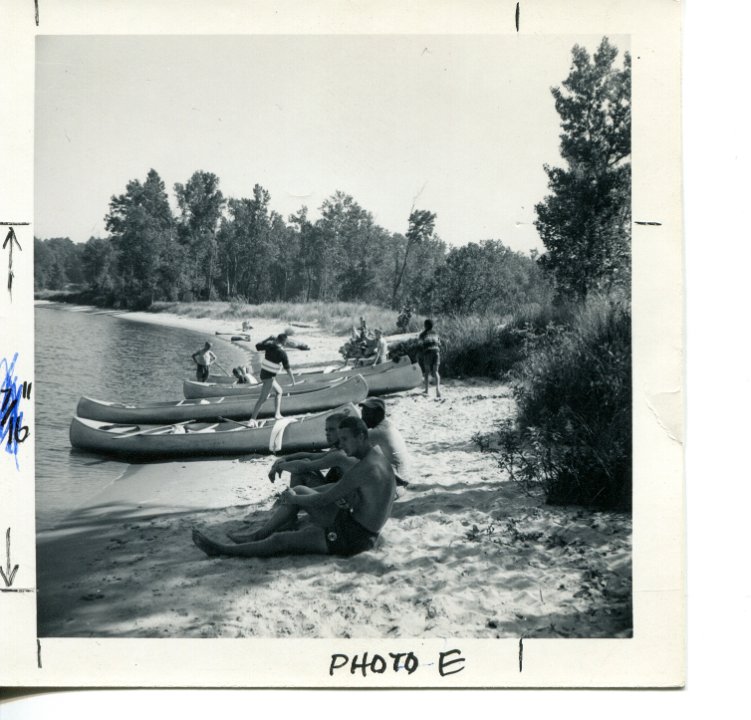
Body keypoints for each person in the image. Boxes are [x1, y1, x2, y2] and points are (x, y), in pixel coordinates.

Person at [192, 416, 396, 559]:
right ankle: (259, 534)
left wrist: (293, 499)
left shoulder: (364, 468)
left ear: (361, 436)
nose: (341, 444)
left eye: (345, 439)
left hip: (354, 538)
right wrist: (352, 498)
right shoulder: (376, 457)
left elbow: (323, 499)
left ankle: (223, 551)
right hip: (360, 526)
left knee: (282, 541)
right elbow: (367, 495)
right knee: (300, 493)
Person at [359, 397, 413, 487]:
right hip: (402, 479)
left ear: (378, 414)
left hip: (395, 487)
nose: (362, 418)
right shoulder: (387, 426)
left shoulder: (377, 432)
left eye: (366, 414)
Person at [247, 334, 296, 425]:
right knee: (263, 398)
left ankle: (277, 414)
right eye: (286, 341)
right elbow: (287, 368)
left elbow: (257, 346)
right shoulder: (282, 353)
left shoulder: (269, 346)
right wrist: (293, 379)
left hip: (265, 375)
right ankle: (252, 419)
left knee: (279, 391)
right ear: (284, 342)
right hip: (268, 377)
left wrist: (268, 338)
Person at [418, 318, 442, 398]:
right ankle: (438, 390)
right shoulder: (436, 333)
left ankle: (427, 390)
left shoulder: (422, 334)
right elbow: (439, 343)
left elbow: (419, 345)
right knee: (436, 372)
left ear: (425, 325)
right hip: (436, 352)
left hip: (428, 352)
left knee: (427, 372)